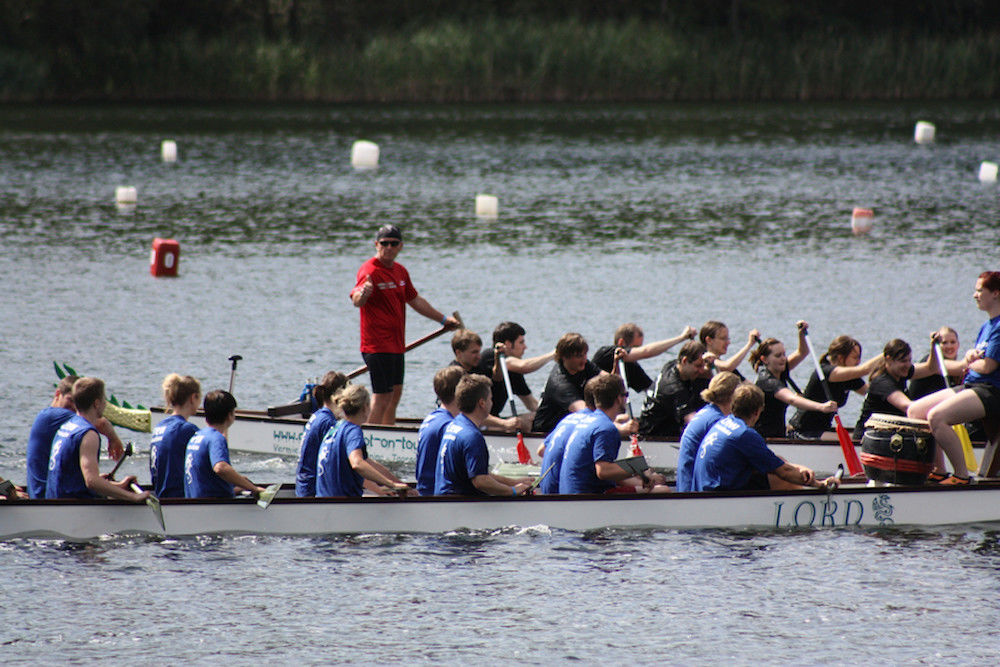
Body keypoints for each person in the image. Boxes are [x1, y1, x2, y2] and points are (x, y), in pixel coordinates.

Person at [350, 224, 460, 425]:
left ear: (400, 246)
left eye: (393, 243)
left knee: (394, 395)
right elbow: (357, 299)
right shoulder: (369, 270)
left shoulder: (401, 272)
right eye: (384, 243)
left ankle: (389, 435)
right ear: (376, 245)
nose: (389, 247)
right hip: (376, 346)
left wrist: (443, 319)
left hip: (396, 345)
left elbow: (416, 301)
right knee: (382, 396)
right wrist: (363, 294)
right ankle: (369, 439)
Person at [909, 271, 1000, 484]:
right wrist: (969, 358)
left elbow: (987, 366)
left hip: (991, 391)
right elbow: (976, 363)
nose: (975, 295)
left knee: (937, 417)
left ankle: (960, 475)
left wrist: (969, 360)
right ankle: (938, 470)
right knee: (915, 411)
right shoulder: (986, 326)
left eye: (979, 291)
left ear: (995, 293)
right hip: (973, 385)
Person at [692, 383, 840, 492]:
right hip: (718, 495)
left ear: (733, 406)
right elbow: (784, 472)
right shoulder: (744, 434)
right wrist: (819, 485)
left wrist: (796, 467)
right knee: (780, 479)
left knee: (777, 464)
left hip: (703, 487)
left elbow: (774, 462)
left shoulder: (722, 423)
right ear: (758, 411)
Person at [558, 374, 668, 494]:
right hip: (588, 496)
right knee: (663, 490)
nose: (626, 399)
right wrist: (639, 467)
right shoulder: (606, 429)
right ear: (619, 399)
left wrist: (639, 470)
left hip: (570, 492)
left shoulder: (589, 421)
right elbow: (603, 471)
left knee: (639, 481)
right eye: (626, 395)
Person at [45, 377, 148, 502]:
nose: (105, 403)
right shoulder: (88, 434)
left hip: (55, 502)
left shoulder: (67, 427)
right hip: (72, 508)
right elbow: (91, 481)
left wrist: (118, 486)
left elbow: (72, 476)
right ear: (97, 403)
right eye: (104, 399)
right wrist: (133, 497)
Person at [27, 375, 125, 499]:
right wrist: (114, 439)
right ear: (58, 394)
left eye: (76, 401)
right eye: (70, 400)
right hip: (45, 497)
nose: (74, 406)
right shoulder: (54, 416)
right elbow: (101, 422)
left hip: (50, 492)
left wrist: (104, 483)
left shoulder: (59, 423)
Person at [434, 374, 533, 496]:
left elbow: (479, 473)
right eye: (491, 399)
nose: (492, 402)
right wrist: (512, 491)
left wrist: (513, 482)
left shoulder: (455, 425)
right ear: (482, 403)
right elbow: (481, 481)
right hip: (458, 506)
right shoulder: (472, 436)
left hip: (444, 500)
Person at [316, 384, 412, 497]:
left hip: (324, 499)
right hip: (342, 505)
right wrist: (390, 484)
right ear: (366, 407)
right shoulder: (353, 431)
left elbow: (368, 463)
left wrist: (398, 483)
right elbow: (357, 463)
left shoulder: (336, 428)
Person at [749, 323, 837, 438]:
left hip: (778, 434)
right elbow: (791, 399)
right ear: (764, 359)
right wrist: (821, 407)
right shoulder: (767, 380)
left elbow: (802, 352)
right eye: (778, 356)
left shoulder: (780, 369)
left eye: (784, 354)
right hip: (765, 436)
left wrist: (801, 333)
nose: (783, 359)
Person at [788, 336, 881, 440]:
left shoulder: (849, 378)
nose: (858, 361)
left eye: (859, 358)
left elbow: (873, 394)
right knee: (855, 440)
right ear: (841, 358)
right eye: (855, 358)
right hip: (803, 432)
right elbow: (864, 369)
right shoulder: (826, 371)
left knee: (862, 437)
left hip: (822, 430)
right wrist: (888, 354)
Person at [852, 338, 938, 441]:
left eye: (909, 360)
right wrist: (940, 406)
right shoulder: (882, 382)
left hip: (887, 435)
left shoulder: (902, 372)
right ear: (888, 359)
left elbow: (931, 369)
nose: (907, 365)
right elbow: (907, 406)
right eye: (903, 361)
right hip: (867, 438)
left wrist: (934, 347)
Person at [184, 390, 265, 499]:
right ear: (230, 415)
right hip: (214, 507)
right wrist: (253, 488)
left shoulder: (196, 437)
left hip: (196, 501)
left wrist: (240, 484)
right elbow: (220, 468)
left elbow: (207, 479)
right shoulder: (216, 438)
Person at [477, 321, 554, 429]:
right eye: (521, 342)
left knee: (534, 417)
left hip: (495, 419)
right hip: (480, 422)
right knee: (524, 423)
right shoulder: (490, 356)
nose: (525, 347)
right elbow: (525, 366)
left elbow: (531, 404)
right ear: (508, 344)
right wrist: (554, 354)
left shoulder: (514, 370)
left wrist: (554, 415)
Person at [675, 372, 741, 492]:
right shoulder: (718, 421)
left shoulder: (706, 412)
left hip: (686, 484)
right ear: (733, 397)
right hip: (693, 491)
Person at [591, 323, 697, 392]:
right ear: (621, 343)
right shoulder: (606, 353)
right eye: (635, 347)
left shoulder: (631, 366)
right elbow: (646, 352)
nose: (637, 352)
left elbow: (652, 390)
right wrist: (682, 338)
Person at [531, 333, 603, 434]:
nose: (584, 360)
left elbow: (610, 381)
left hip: (569, 426)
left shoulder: (584, 364)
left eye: (585, 354)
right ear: (564, 357)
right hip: (547, 432)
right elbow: (584, 411)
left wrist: (616, 365)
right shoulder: (560, 383)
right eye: (578, 356)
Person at [638, 340, 710, 437]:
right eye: (698, 366)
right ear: (684, 361)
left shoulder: (672, 365)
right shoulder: (674, 388)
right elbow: (694, 422)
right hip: (653, 435)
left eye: (703, 366)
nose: (702, 371)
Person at [535, 380, 596, 494]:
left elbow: (541, 451)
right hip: (565, 497)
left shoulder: (568, 419)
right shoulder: (599, 425)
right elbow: (604, 471)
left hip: (548, 492)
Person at [295, 371, 348, 497]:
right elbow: (348, 463)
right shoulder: (328, 423)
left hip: (303, 485)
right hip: (312, 490)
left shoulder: (318, 415)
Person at [150, 373, 201, 498]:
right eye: (200, 398)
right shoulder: (187, 430)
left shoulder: (159, 427)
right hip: (178, 499)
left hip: (161, 495)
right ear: (193, 398)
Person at [415, 366, 464, 495]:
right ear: (461, 393)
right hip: (435, 495)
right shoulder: (449, 426)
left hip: (425, 489)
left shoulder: (431, 417)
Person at [908, 327, 966, 399]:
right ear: (937, 346)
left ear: (958, 344)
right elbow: (962, 368)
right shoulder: (932, 362)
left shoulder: (954, 368)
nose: (949, 346)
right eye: (944, 343)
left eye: (952, 342)